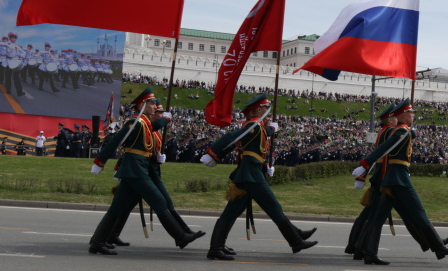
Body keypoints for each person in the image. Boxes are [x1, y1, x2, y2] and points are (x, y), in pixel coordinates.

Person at [87, 86, 205, 255]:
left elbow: (154, 128)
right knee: (159, 200)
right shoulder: (135, 122)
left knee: (117, 208)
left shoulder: (144, 123)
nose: (153, 105)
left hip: (137, 168)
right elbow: (116, 141)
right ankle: (180, 236)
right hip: (134, 169)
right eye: (151, 103)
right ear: (143, 104)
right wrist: (100, 161)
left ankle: (97, 242)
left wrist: (164, 122)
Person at [202, 94, 317, 260]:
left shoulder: (258, 127)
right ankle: (296, 240)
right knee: (273, 206)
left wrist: (271, 133)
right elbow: (232, 137)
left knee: (231, 212)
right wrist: (213, 153)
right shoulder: (254, 125)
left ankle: (216, 247)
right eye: (265, 108)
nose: (268, 111)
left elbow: (260, 139)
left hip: (251, 172)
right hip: (251, 175)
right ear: (256, 110)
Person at [352, 99, 448, 265]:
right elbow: (384, 149)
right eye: (410, 113)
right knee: (418, 211)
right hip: (399, 178)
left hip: (393, 178)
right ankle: (439, 248)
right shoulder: (400, 131)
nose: (413, 115)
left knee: (378, 216)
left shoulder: (403, 130)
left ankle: (369, 253)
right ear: (403, 115)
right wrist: (365, 165)